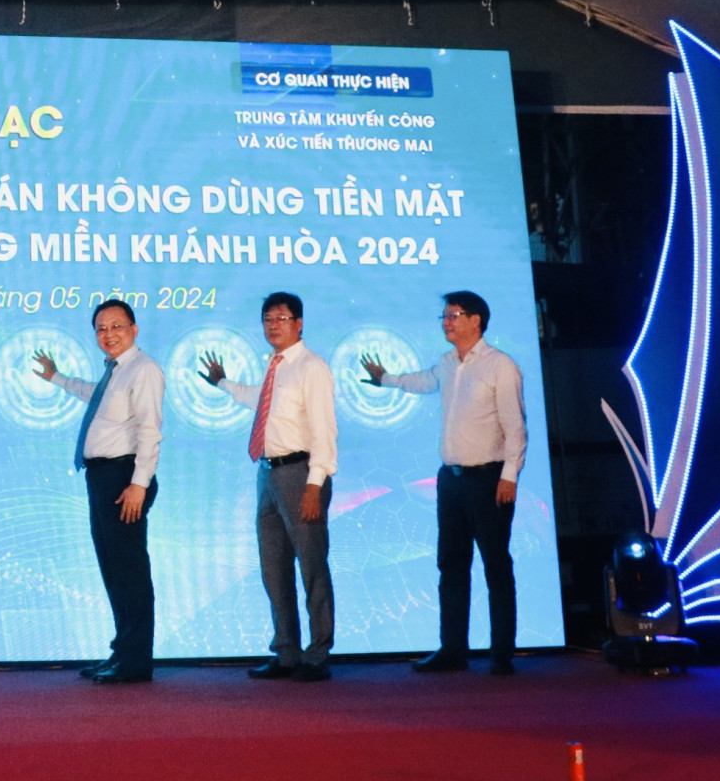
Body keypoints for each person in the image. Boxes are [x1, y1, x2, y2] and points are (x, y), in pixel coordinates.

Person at [362, 290, 527, 676]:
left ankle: (502, 654)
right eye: (444, 316)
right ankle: (453, 649)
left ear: (476, 320)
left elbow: (516, 428)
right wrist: (385, 379)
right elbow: (423, 382)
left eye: (453, 315)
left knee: (495, 567)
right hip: (450, 481)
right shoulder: (448, 364)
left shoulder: (501, 366)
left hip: (489, 479)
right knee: (451, 564)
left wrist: (509, 475)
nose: (446, 321)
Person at [201, 291, 338, 682]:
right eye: (267, 319)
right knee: (273, 568)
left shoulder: (312, 367)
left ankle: (318, 652)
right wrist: (223, 382)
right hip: (268, 473)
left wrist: (315, 485)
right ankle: (287, 651)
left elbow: (325, 432)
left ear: (299, 323)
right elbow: (262, 404)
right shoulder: (274, 366)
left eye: (281, 318)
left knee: (312, 566)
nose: (272, 325)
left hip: (301, 472)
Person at [33, 299, 163, 684]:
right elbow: (95, 395)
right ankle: (122, 653)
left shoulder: (144, 369)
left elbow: (150, 431)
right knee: (114, 571)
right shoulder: (115, 372)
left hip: (125, 479)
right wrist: (57, 377)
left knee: (130, 572)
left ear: (134, 329)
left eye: (116, 326)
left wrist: (139, 484)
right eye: (101, 329)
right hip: (103, 478)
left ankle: (136, 662)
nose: (108, 335)